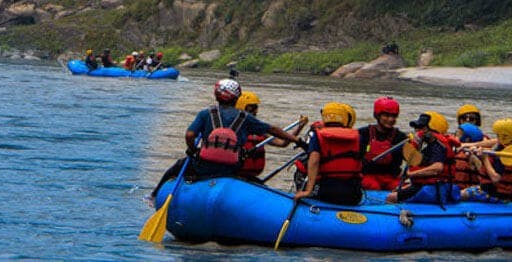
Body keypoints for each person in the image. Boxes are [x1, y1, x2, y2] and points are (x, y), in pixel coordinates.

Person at [150, 79, 307, 199]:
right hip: (232, 168)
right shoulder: (245, 118)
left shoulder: (205, 114)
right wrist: (297, 140)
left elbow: (190, 135)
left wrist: (192, 150)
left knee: (178, 166)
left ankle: (154, 195)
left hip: (203, 166)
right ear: (236, 97)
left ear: (217, 95)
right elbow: (274, 130)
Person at [294, 102, 363, 205]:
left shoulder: (318, 136)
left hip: (326, 192)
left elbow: (314, 162)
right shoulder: (358, 137)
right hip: (353, 194)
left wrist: (308, 191)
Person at [386, 111, 460, 205]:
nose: (417, 130)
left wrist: (410, 174)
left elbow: (437, 168)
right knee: (397, 190)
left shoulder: (437, 145)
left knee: (391, 197)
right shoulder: (428, 145)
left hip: (434, 188)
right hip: (430, 185)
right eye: (416, 127)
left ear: (433, 129)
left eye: (421, 127)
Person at [235, 91, 307, 179]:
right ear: (243, 107)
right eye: (252, 107)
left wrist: (299, 127)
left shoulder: (259, 130)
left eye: (256, 107)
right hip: (236, 174)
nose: (256, 111)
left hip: (251, 177)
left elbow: (283, 143)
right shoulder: (235, 129)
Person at [459, 118, 512, 203]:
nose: (497, 137)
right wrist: (476, 148)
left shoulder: (504, 155)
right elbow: (493, 146)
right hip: (504, 193)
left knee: (458, 194)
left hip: (492, 193)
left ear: (504, 136)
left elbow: (495, 178)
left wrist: (485, 159)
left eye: (498, 135)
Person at [358, 97, 408, 191]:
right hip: (368, 176)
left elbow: (413, 160)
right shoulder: (363, 133)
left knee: (403, 189)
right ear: (377, 116)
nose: (390, 119)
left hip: (391, 177)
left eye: (394, 116)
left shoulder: (401, 137)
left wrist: (416, 145)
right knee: (373, 187)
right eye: (386, 115)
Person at [452, 121, 485, 190]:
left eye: (458, 134)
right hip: (453, 187)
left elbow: (482, 174)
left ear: (467, 139)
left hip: (466, 189)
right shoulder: (453, 151)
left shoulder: (473, 155)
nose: (454, 136)